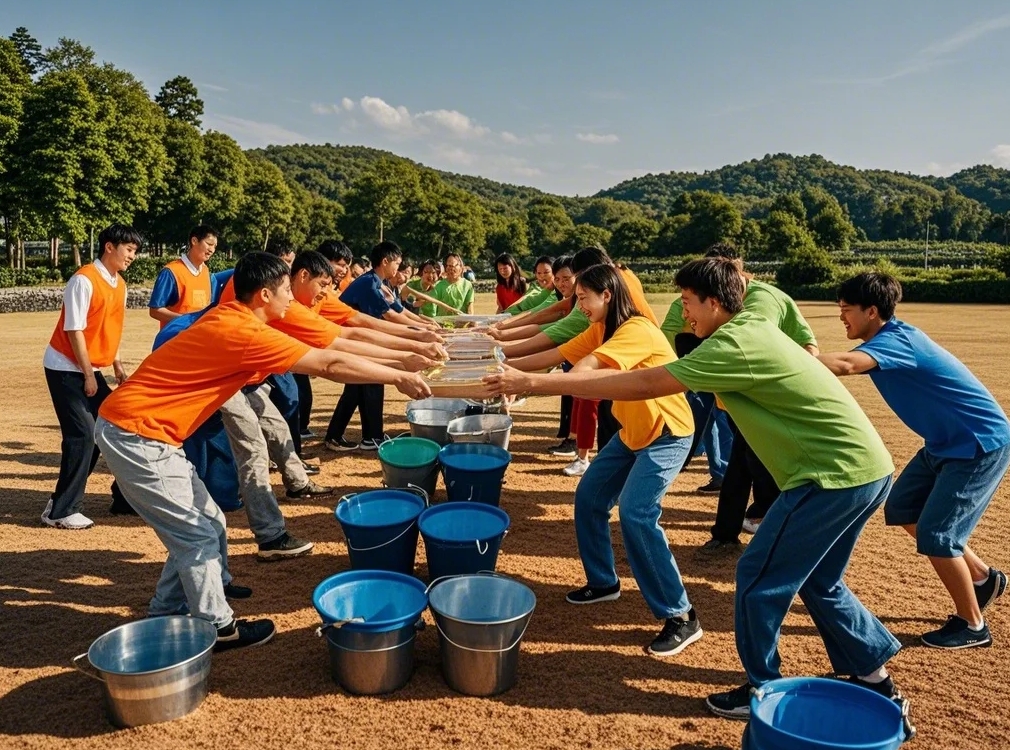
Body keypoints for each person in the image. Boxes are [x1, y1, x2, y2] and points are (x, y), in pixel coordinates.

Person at [485, 257, 908, 722]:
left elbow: (644, 382)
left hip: (830, 476)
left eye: (688, 303)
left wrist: (529, 382)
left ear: (713, 301)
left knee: (758, 579)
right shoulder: (752, 317)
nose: (682, 314)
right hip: (866, 468)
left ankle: (762, 687)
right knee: (820, 581)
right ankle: (875, 678)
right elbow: (762, 296)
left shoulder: (731, 343)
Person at [95, 252, 431, 651]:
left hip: (147, 431)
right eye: (287, 290)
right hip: (136, 433)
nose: (292, 299)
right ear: (265, 294)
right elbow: (329, 362)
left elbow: (338, 346)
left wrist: (402, 359)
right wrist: (398, 373)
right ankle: (217, 626)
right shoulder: (245, 331)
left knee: (207, 521)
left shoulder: (238, 316)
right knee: (197, 535)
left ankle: (172, 607)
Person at [487, 264, 700, 655]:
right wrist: (501, 367)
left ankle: (681, 615)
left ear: (608, 295)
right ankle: (604, 583)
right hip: (633, 431)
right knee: (590, 497)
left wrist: (529, 384)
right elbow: (556, 354)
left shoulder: (636, 329)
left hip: (667, 432)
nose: (579, 305)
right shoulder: (603, 328)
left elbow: (588, 370)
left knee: (636, 513)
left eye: (583, 297)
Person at [818, 272, 1010, 649]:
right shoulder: (887, 338)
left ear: (871, 311)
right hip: (943, 444)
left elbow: (845, 365)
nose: (842, 318)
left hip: (977, 444)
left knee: (939, 537)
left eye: (846, 310)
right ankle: (984, 579)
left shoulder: (897, 341)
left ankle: (972, 626)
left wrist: (785, 360)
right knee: (903, 506)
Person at [693, 244, 818, 557]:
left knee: (757, 464)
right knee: (743, 464)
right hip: (744, 398)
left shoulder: (763, 300)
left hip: (770, 399)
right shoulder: (719, 301)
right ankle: (730, 533)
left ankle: (760, 527)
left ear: (734, 271)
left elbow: (807, 347)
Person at [41, 224, 139, 529]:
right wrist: (89, 374)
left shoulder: (119, 284)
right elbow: (74, 330)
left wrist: (117, 366)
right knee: (82, 434)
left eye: (135, 251)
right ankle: (61, 511)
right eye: (128, 250)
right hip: (64, 367)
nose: (132, 257)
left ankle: (123, 499)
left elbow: (111, 331)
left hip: (91, 368)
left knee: (114, 427)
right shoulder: (83, 280)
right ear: (109, 247)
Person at [326, 241, 416, 450]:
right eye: (397, 263)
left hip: (359, 339)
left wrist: (426, 327)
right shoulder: (369, 283)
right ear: (385, 261)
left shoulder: (378, 282)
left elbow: (399, 311)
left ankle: (342, 435)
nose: (398, 268)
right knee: (373, 381)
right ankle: (371, 436)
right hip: (351, 339)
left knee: (357, 387)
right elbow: (390, 316)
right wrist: (419, 337)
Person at [148, 225, 218, 327]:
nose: (212, 250)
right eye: (209, 244)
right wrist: (187, 321)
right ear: (194, 241)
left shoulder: (206, 272)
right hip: (175, 339)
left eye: (215, 246)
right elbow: (155, 310)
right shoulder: (171, 272)